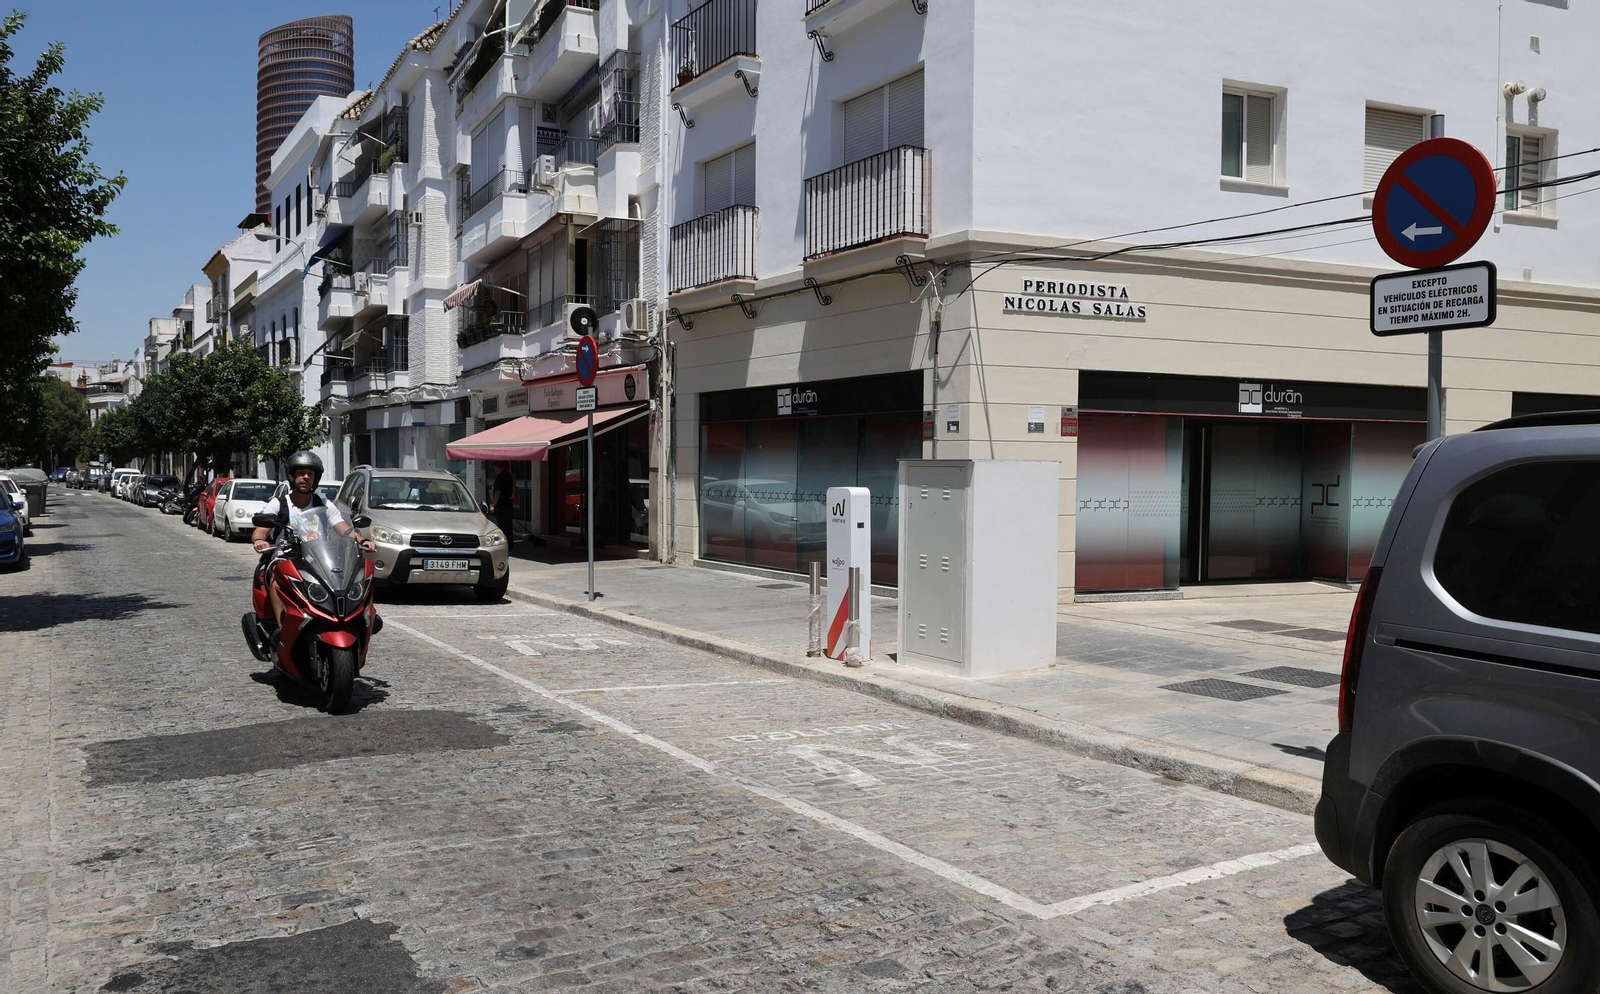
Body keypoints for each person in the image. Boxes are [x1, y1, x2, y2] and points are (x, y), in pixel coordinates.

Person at [251, 451, 375, 622]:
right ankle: (282, 625)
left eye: (310, 474)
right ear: (292, 476)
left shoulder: (324, 505)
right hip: (286, 558)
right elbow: (261, 531)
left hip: (318, 559)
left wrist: (362, 540)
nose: (306, 478)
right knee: (277, 577)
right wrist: (259, 541)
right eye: (301, 473)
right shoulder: (279, 504)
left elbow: (344, 528)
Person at [490, 460, 516, 542]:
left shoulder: (500, 477)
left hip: (501, 506)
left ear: (498, 467)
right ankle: (509, 544)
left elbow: (498, 492)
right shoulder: (509, 476)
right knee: (508, 527)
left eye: (495, 468)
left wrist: (493, 505)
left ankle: (504, 543)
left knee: (502, 526)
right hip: (508, 505)